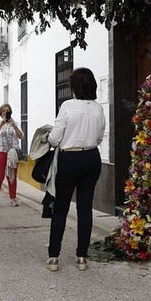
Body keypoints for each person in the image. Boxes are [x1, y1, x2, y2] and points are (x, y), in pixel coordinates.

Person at [45, 67, 105, 272]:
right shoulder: (98, 109)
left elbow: (54, 138)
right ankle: (82, 257)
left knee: (61, 208)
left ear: (74, 86)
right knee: (85, 208)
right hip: (91, 157)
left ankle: (54, 256)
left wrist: (49, 138)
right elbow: (99, 137)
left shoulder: (67, 106)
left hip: (69, 158)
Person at [0, 104, 23, 208]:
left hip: (12, 152)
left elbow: (21, 136)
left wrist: (14, 126)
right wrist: (0, 125)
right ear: (0, 113)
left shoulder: (15, 123)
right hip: (0, 151)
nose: (5, 112)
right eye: (3, 111)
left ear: (10, 112)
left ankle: (13, 198)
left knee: (12, 176)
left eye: (7, 111)